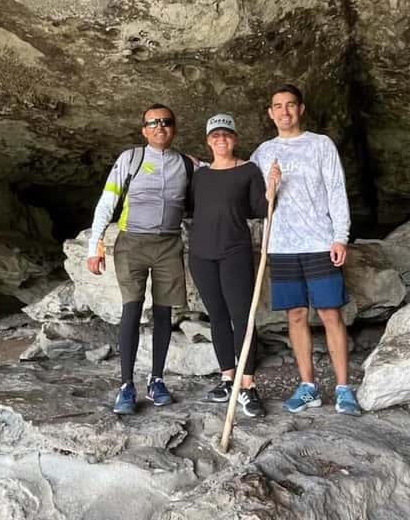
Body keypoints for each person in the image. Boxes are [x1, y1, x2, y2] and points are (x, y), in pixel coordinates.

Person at [251, 84, 363, 416]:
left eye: (290, 105)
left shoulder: (320, 145)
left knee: (330, 313)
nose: (284, 111)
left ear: (300, 109)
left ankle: (343, 388)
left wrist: (340, 236)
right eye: (277, 106)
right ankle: (308, 386)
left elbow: (336, 190)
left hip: (319, 242)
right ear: (270, 113)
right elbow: (252, 195)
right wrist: (269, 187)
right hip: (282, 246)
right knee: (296, 315)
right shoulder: (264, 152)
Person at [86, 104, 194, 415]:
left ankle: (157, 380)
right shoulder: (130, 158)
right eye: (153, 123)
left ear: (174, 128)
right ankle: (126, 386)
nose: (160, 127)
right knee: (131, 310)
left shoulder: (187, 164)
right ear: (144, 130)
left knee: (164, 312)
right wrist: (94, 246)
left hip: (168, 244)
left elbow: (218, 177)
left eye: (166, 122)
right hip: (131, 243)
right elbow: (107, 201)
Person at [187, 113, 275, 418]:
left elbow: (261, 209)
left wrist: (271, 188)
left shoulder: (248, 170)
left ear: (235, 138)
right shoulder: (200, 176)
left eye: (226, 134)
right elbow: (189, 206)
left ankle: (247, 384)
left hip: (234, 252)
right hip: (201, 254)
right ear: (208, 141)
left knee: (243, 317)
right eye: (215, 135)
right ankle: (227, 377)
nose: (221, 139)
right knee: (217, 316)